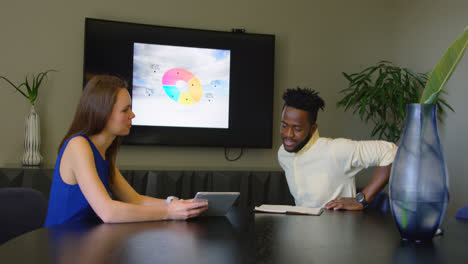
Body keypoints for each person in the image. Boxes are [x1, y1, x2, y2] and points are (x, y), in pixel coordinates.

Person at [44, 75, 207, 227]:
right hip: (64, 247)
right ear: (103, 112)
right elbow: (108, 212)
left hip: (86, 241)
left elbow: (135, 200)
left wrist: (178, 204)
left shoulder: (103, 152)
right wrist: (169, 212)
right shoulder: (77, 145)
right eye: (125, 110)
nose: (133, 115)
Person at [278, 87, 397, 210]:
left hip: (341, 227)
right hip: (304, 226)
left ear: (313, 129)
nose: (288, 134)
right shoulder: (283, 154)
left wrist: (362, 199)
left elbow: (392, 152)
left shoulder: (335, 150)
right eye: (284, 126)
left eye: (297, 129)